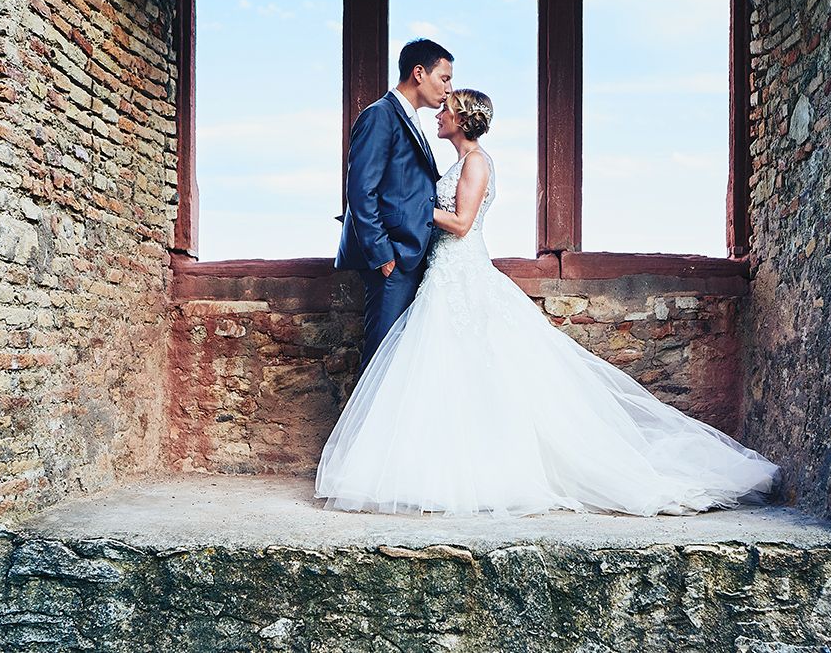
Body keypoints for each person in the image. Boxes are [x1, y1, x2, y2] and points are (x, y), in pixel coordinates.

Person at [318, 88, 780, 517]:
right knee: (447, 370)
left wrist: (405, 209)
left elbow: (460, 223)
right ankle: (445, 465)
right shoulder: (458, 162)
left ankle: (493, 472)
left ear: (461, 120)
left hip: (462, 269)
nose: (438, 115)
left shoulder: (478, 163)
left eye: (446, 110)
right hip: (442, 273)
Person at [335, 38, 454, 372]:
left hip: (411, 254)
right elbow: (360, 190)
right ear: (419, 73)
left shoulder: (410, 117)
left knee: (401, 364)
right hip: (393, 260)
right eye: (444, 78)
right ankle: (364, 427)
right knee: (380, 362)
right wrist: (383, 255)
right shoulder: (379, 116)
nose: (448, 89)